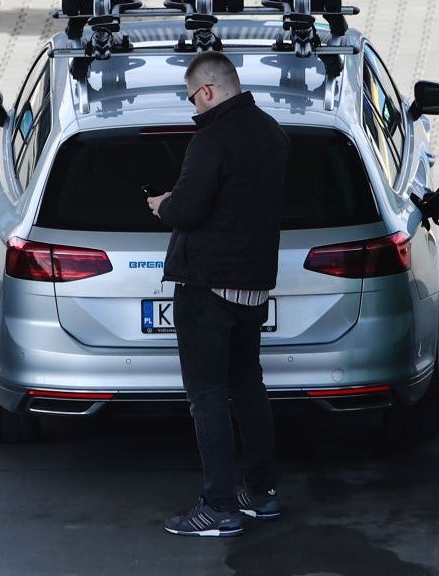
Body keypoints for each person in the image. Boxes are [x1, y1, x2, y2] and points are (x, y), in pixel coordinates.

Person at [148, 51, 289, 537]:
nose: (195, 108)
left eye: (193, 98)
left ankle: (219, 507)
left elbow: (187, 209)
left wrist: (163, 204)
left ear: (207, 91)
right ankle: (262, 493)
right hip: (253, 287)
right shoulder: (271, 131)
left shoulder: (210, 140)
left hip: (207, 288)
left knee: (207, 397)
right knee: (249, 387)